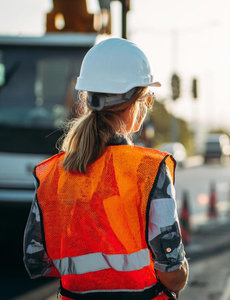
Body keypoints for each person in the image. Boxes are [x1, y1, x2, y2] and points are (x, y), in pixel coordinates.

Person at [23, 38, 188, 299]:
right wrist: (182, 270)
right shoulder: (149, 170)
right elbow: (172, 275)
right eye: (147, 98)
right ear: (135, 101)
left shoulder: (52, 174)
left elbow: (36, 261)